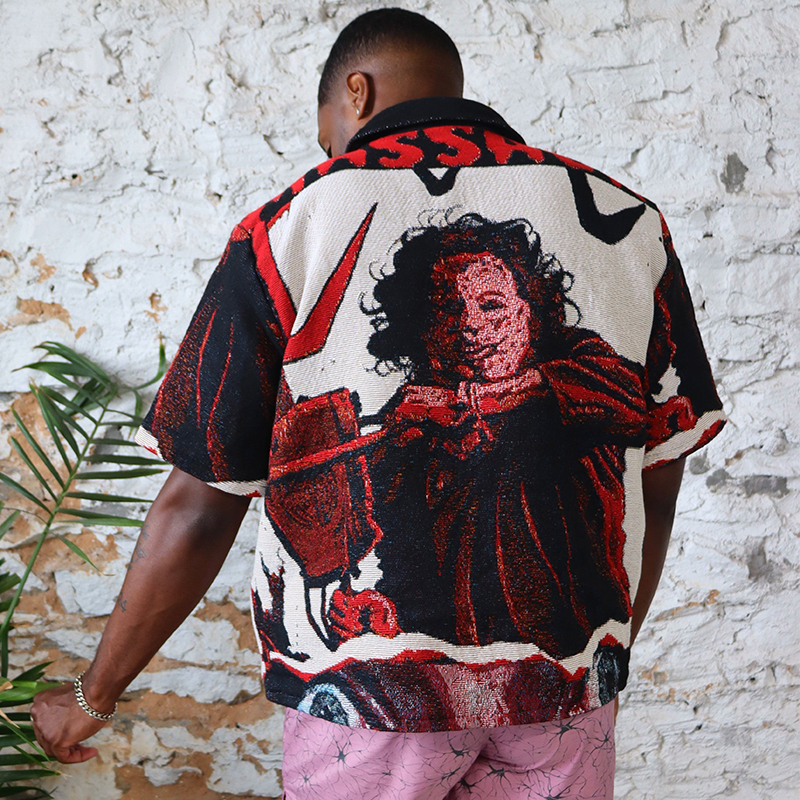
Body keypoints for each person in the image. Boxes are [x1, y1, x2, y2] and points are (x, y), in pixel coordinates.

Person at [32, 7, 726, 799]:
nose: (473, 328)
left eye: (327, 134)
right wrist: (601, 649)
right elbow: (658, 477)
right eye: (450, 314)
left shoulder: (287, 227)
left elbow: (197, 508)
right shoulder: (632, 227)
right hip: (563, 700)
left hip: (374, 709)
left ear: (355, 94)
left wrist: (94, 694)